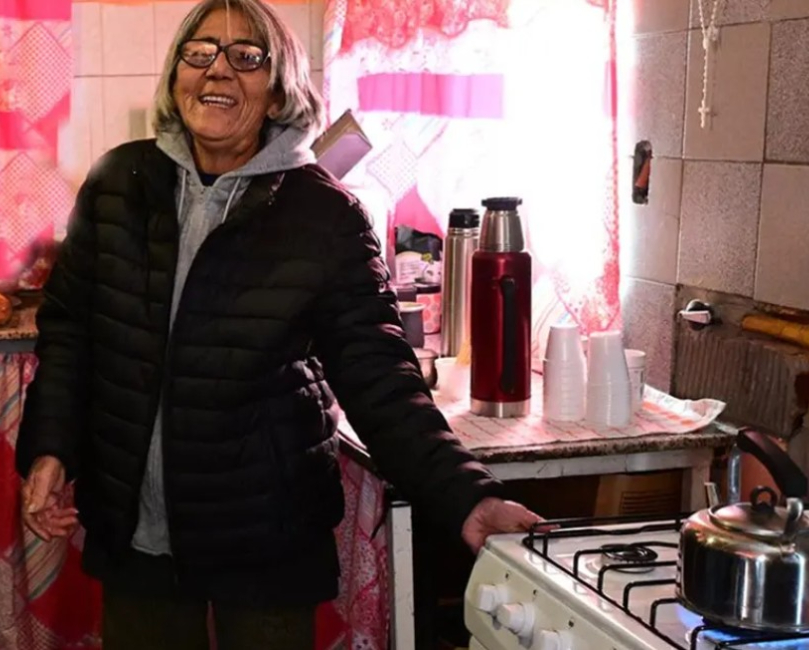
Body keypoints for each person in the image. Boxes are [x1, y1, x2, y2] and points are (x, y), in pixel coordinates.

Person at [14, 1, 540, 648]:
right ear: (176, 75)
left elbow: (378, 375)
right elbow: (71, 333)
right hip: (137, 533)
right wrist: (50, 447)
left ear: (279, 87)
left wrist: (466, 494)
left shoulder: (323, 214)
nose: (219, 72)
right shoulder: (118, 182)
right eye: (199, 51)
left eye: (247, 56)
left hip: (266, 538)